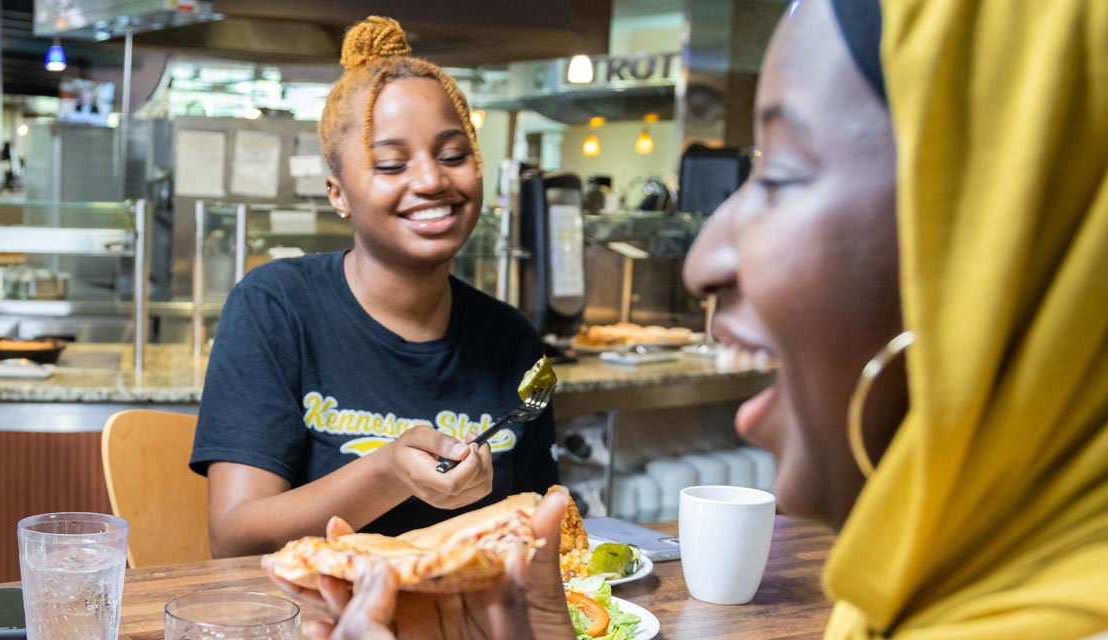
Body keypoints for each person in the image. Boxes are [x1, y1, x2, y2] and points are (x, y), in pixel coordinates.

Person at [297, 0, 1108, 637]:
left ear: (1001, 238)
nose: (704, 260)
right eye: (390, 161)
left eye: (781, 172)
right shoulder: (922, 601)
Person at [190, 16, 557, 559]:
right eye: (391, 164)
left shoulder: (512, 341)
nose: (432, 180)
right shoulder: (276, 306)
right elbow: (236, 537)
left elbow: (540, 530)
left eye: (454, 154)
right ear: (338, 194)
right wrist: (388, 472)